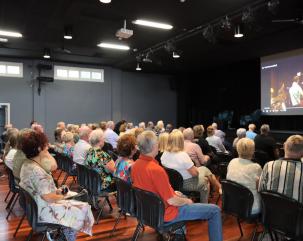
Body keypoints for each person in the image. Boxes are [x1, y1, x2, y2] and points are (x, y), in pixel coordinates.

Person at [131, 131, 222, 241]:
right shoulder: (155, 170)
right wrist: (187, 201)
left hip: (148, 212)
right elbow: (171, 201)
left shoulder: (135, 165)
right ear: (154, 146)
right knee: (215, 210)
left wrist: (174, 194)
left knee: (181, 194)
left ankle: (178, 235)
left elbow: (152, 190)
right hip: (166, 214)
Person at [19, 131, 94, 241]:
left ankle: (65, 233)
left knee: (77, 200)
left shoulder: (27, 163)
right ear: (39, 148)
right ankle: (68, 236)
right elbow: (48, 197)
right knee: (83, 207)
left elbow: (51, 170)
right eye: (45, 144)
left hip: (37, 207)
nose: (48, 146)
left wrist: (58, 192)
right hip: (44, 210)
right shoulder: (37, 171)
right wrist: (63, 196)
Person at [161, 130, 221, 203]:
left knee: (204, 169)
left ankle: (217, 186)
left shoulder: (164, 154)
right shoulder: (182, 155)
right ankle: (204, 205)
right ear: (181, 141)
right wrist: (195, 168)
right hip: (186, 184)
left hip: (171, 183)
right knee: (206, 181)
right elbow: (195, 174)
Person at [258, 135, 303, 203]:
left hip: (270, 211)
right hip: (297, 213)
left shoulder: (269, 165)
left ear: (284, 146)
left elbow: (260, 190)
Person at [227, 138, 262, 214]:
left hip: (233, 203)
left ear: (237, 149)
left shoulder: (232, 162)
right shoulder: (256, 167)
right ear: (253, 151)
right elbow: (259, 188)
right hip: (250, 208)